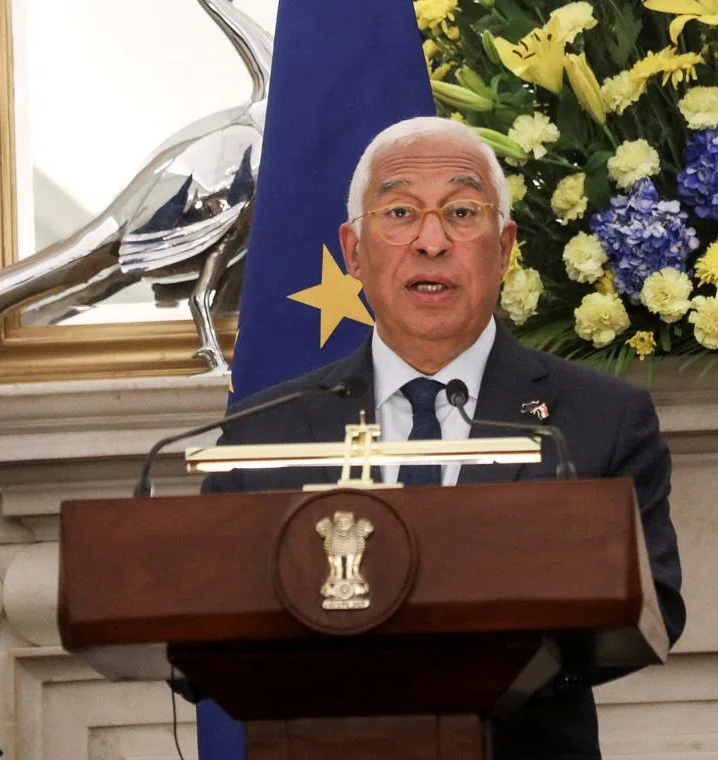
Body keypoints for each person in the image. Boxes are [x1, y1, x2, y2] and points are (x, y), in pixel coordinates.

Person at [198, 116, 686, 759]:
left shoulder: (601, 418)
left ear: (505, 247)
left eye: (461, 211)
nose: (431, 241)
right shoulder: (263, 431)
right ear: (353, 250)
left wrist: (507, 669)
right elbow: (208, 612)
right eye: (399, 212)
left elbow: (655, 604)